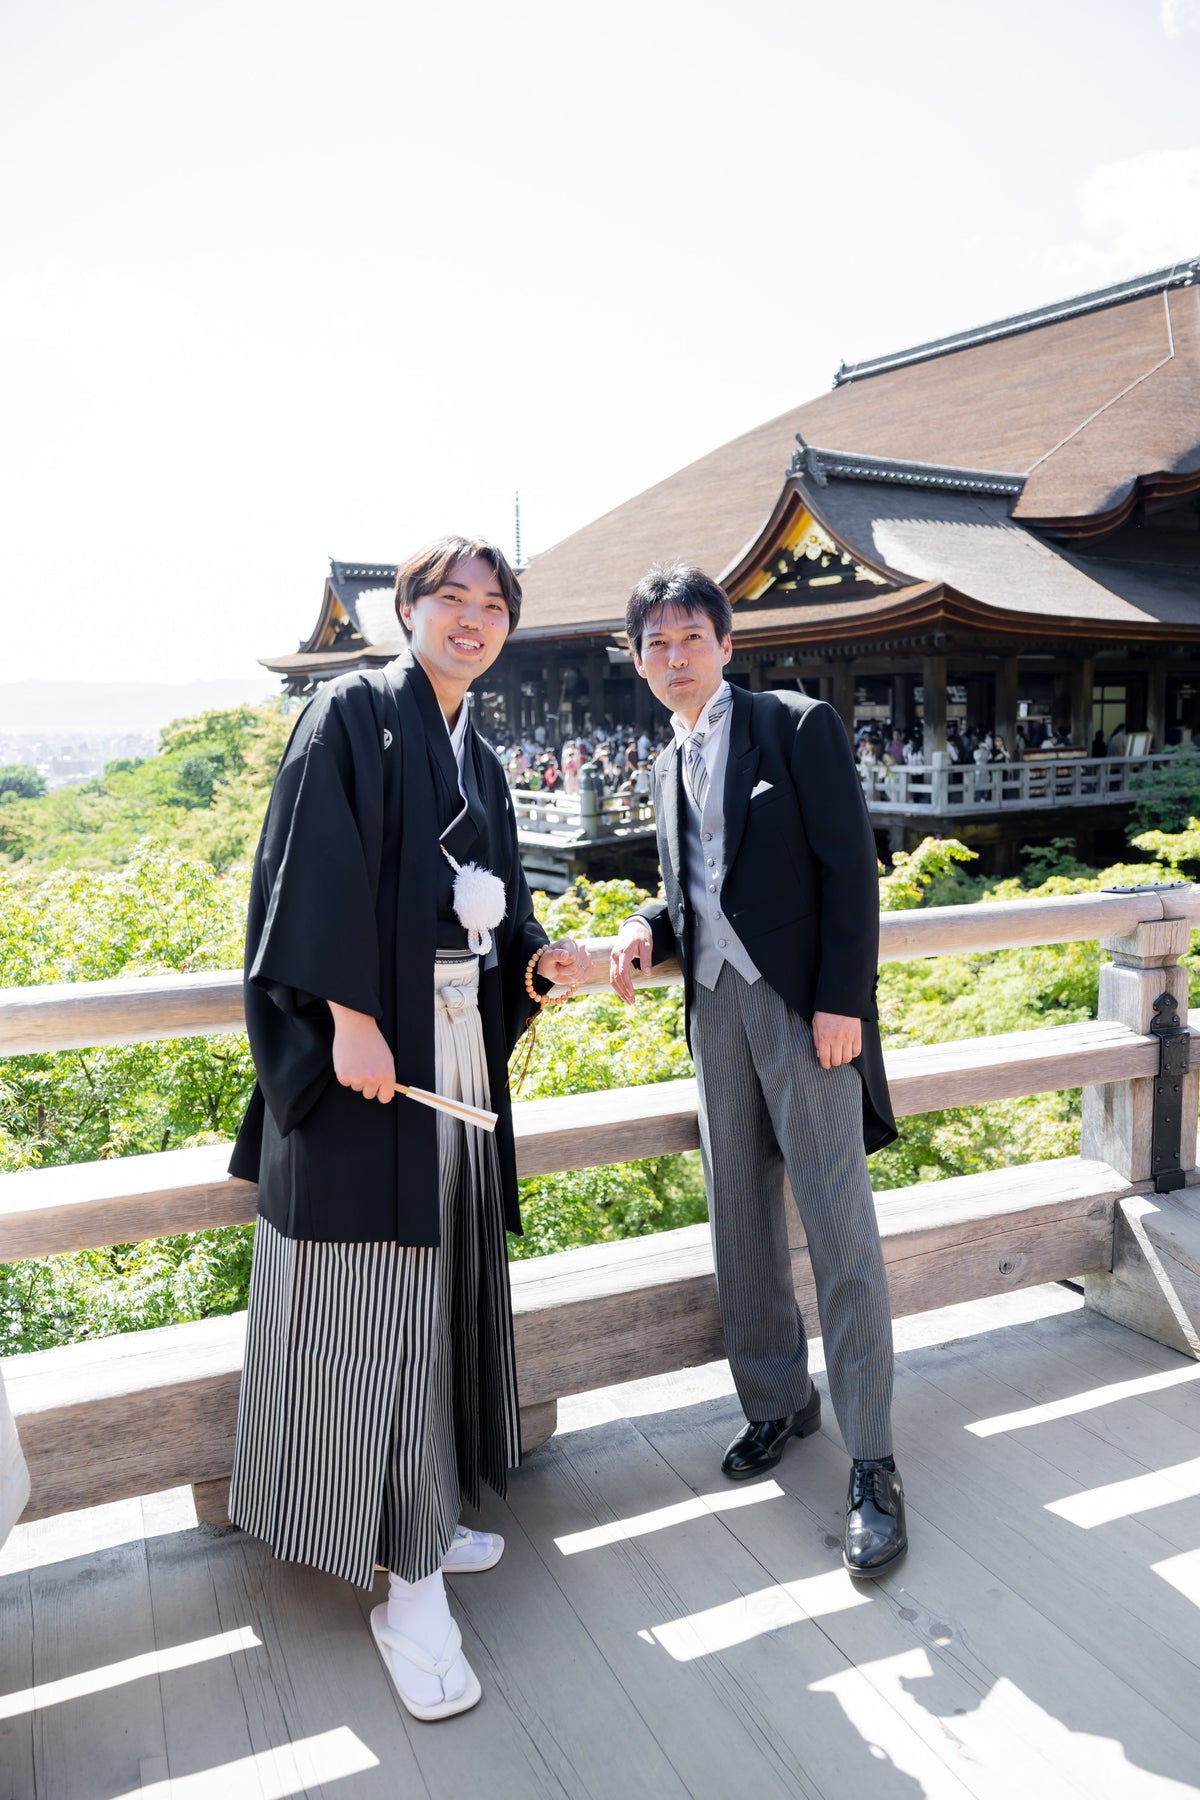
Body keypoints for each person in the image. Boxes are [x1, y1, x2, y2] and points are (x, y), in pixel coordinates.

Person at [227, 535, 591, 1720]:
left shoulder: (474, 750)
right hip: (366, 1060)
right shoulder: (352, 713)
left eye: (494, 605)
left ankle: (426, 1507)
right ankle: (405, 1581)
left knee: (444, 1286)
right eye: (454, 600)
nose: (474, 619)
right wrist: (345, 1018)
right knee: (375, 1297)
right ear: (409, 609)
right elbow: (310, 872)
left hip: (453, 1046)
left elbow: (500, 916)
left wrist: (540, 963)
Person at [609, 564, 905, 1578]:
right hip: (715, 1012)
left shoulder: (794, 725)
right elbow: (685, 890)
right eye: (656, 643)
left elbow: (849, 871)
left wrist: (842, 1006)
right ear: (641, 662)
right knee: (739, 1218)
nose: (675, 654)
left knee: (838, 1227)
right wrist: (641, 934)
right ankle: (779, 1403)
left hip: (801, 1007)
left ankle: (873, 1458)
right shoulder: (661, 764)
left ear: (725, 644)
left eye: (691, 636)